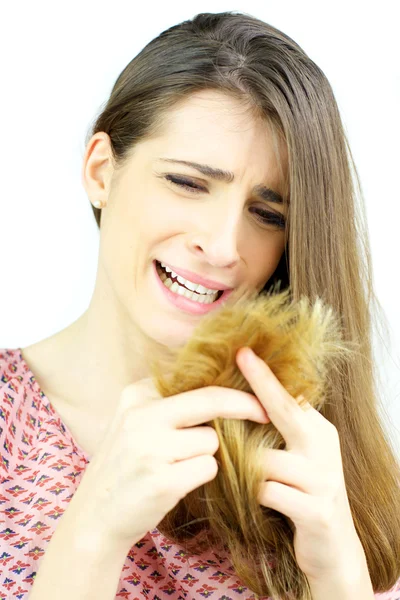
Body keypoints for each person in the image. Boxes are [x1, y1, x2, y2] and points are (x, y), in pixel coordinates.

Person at [1, 10, 399, 600]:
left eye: (266, 215)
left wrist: (340, 576)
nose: (221, 246)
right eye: (188, 183)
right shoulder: (13, 431)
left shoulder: (314, 462)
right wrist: (90, 540)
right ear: (101, 172)